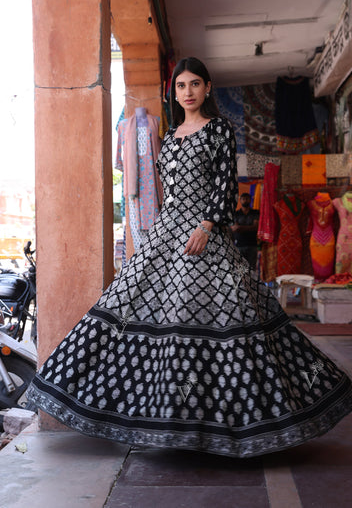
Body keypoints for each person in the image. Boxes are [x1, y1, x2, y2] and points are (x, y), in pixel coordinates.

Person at [27, 57, 352, 458]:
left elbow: (225, 183)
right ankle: (147, 415)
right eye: (181, 86)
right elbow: (168, 193)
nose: (188, 92)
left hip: (204, 235)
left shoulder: (218, 130)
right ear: (174, 92)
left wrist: (208, 225)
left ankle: (235, 422)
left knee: (221, 315)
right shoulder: (170, 135)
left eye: (195, 84)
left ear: (208, 88)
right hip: (166, 234)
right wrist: (156, 234)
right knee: (123, 302)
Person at [231, 192, 259, 268]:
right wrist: (250, 227)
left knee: (252, 267)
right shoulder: (236, 213)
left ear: (250, 200)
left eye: (247, 199)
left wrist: (240, 228)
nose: (245, 200)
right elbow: (234, 228)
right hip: (239, 244)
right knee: (240, 267)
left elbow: (256, 227)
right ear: (240, 200)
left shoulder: (255, 212)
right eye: (243, 199)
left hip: (252, 244)